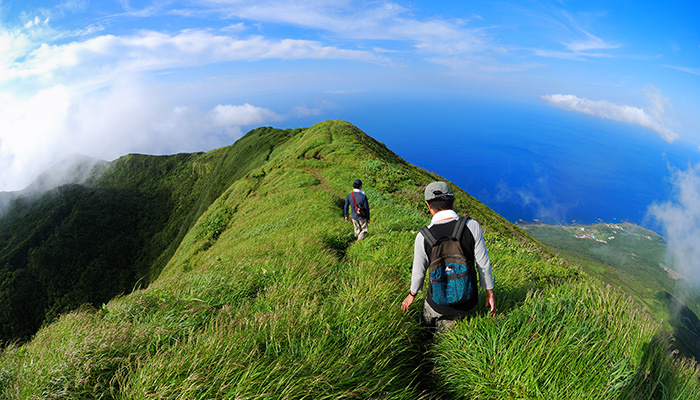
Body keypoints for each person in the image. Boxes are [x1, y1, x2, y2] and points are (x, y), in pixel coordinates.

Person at [400, 181, 496, 330]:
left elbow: (419, 272)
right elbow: (483, 264)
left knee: (429, 325)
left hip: (438, 305)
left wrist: (411, 295)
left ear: (428, 204)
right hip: (468, 302)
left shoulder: (423, 236)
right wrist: (489, 292)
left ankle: (428, 335)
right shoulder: (472, 226)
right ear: (452, 200)